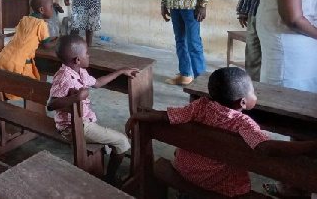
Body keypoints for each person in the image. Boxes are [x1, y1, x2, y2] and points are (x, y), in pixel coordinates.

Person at [125, 67, 317, 197]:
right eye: (253, 92)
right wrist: (310, 145)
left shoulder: (199, 105)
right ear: (242, 102)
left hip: (184, 170)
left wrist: (138, 116)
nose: (254, 95)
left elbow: (167, 117)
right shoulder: (243, 123)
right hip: (222, 186)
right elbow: (265, 147)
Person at [47, 34, 138, 184]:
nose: (89, 56)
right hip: (72, 128)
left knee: (109, 136)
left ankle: (107, 158)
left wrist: (120, 71)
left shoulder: (78, 71)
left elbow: (97, 83)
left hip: (83, 121)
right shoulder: (64, 77)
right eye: (86, 54)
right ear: (77, 59)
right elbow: (51, 104)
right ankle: (110, 179)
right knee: (122, 142)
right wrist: (76, 98)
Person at [0, 0, 57, 100]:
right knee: (32, 86)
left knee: (6, 82)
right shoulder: (41, 24)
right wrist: (58, 40)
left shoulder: (24, 19)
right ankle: (7, 99)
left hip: (5, 56)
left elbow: (29, 36)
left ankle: (2, 95)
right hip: (19, 61)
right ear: (42, 10)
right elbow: (47, 45)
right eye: (51, 6)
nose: (52, 9)